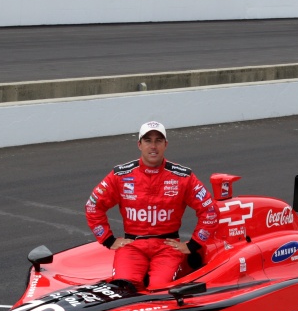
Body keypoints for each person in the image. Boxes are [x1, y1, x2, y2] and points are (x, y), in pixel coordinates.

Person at [85, 121, 218, 290]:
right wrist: (108, 239)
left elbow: (210, 210)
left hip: (167, 247)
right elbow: (93, 206)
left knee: (160, 289)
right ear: (139, 145)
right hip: (132, 246)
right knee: (124, 288)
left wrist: (193, 244)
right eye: (148, 140)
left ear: (165, 144)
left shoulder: (183, 177)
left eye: (158, 141)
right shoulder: (120, 175)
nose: (153, 146)